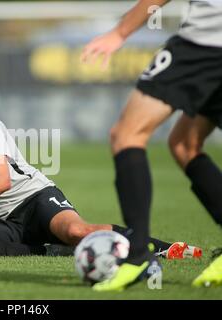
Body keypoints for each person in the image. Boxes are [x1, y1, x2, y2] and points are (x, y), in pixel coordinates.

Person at [0, 66, 200, 261]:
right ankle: (51, 251)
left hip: (35, 199)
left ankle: (164, 248)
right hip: (2, 222)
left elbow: (1, 180)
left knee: (78, 232)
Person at [81, 0, 222, 290]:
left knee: (126, 135)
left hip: (207, 42)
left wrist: (119, 33)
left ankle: (138, 258)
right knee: (185, 144)